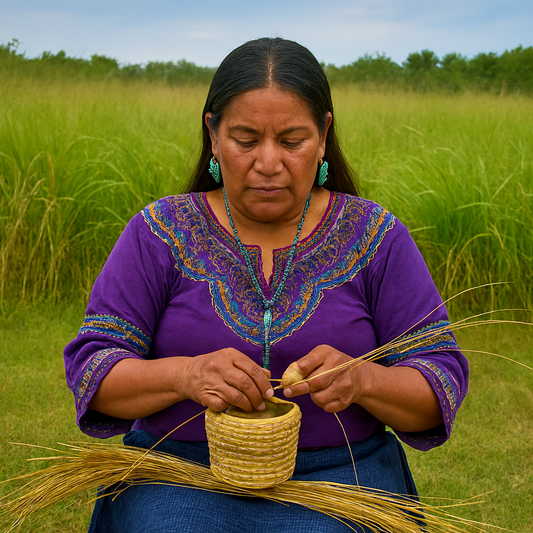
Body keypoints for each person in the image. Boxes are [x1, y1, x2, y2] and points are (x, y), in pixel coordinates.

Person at [64, 37, 469, 532]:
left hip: (341, 483)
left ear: (323, 135)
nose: (269, 163)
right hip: (180, 475)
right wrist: (185, 376)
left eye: (292, 141)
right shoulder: (159, 233)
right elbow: (95, 373)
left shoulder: (376, 238)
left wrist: (363, 380)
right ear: (213, 134)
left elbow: (439, 379)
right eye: (246, 139)